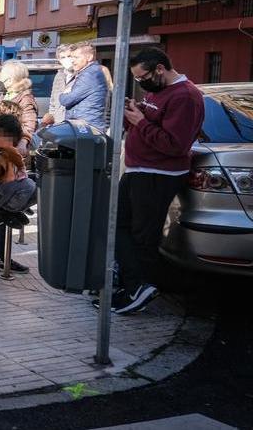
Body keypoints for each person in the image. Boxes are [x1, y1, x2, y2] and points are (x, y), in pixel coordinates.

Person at [106, 49, 204, 315]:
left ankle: (139, 288)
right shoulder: (158, 90)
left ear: (160, 69)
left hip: (158, 174)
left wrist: (140, 122)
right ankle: (133, 284)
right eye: (137, 80)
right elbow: (151, 124)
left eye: (143, 77)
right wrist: (135, 113)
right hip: (140, 169)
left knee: (142, 235)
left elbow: (175, 144)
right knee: (116, 225)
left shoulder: (185, 96)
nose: (141, 83)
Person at [0, 113, 34, 273]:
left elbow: (25, 132)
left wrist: (24, 140)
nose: (11, 142)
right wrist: (13, 147)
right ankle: (8, 211)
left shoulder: (6, 142)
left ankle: (5, 260)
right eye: (7, 137)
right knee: (30, 185)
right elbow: (1, 143)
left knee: (35, 187)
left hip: (2, 191)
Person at [60, 42, 110, 130]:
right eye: (72, 57)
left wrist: (63, 95)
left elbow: (67, 100)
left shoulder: (90, 75)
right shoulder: (88, 72)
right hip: (84, 126)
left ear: (89, 57)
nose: (72, 60)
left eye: (76, 57)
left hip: (86, 128)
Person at [0, 60, 38, 152]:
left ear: (10, 80)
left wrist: (23, 142)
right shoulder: (6, 94)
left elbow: (30, 123)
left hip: (16, 145)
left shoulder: (25, 98)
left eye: (1, 76)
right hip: (5, 142)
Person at [42, 44, 75, 126]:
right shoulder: (59, 75)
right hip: (58, 122)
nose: (66, 59)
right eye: (63, 57)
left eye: (69, 56)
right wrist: (51, 117)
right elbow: (53, 101)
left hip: (74, 123)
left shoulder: (81, 74)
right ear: (59, 60)